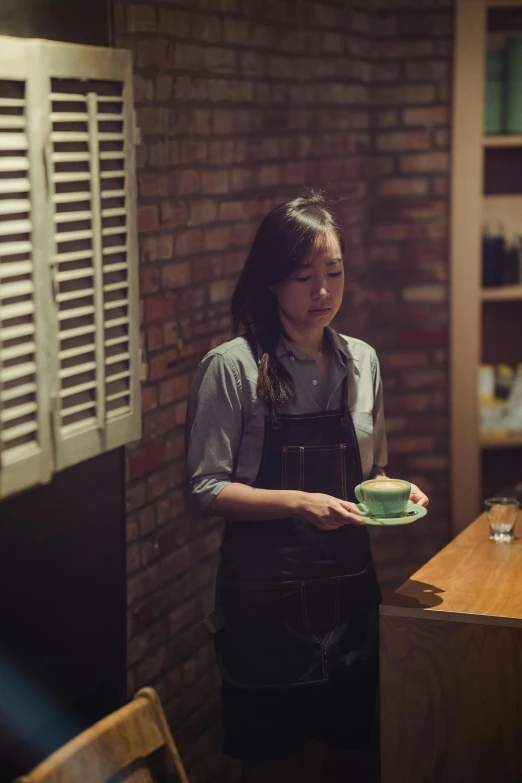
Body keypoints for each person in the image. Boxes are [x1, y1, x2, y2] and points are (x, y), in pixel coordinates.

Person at [185, 192, 429, 782]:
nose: (323, 290)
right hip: (264, 611)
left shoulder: (362, 361)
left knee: (350, 762)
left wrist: (399, 490)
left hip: (349, 601)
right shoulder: (233, 367)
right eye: (303, 276)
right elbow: (204, 489)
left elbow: (371, 472)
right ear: (271, 281)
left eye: (334, 272)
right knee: (274, 769)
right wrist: (299, 502)